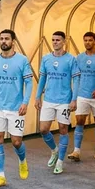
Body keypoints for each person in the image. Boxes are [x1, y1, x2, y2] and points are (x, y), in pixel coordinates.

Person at [0, 29, 33, 188]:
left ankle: (22, 161)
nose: (3, 41)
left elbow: (29, 83)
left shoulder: (22, 60)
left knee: (16, 142)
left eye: (6, 39)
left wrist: (25, 102)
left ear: (13, 42)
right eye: (1, 38)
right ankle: (0, 176)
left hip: (16, 108)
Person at [35, 30, 80, 174]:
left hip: (64, 100)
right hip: (48, 99)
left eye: (58, 40)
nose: (55, 42)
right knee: (43, 129)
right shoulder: (46, 59)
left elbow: (76, 80)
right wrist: (37, 97)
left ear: (64, 42)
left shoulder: (71, 59)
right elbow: (42, 78)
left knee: (63, 129)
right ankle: (54, 150)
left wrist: (74, 99)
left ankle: (60, 162)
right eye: (53, 40)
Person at [68, 32, 95, 161]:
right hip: (82, 95)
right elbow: (76, 77)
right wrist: (74, 96)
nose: (87, 42)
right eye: (85, 40)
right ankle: (76, 151)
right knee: (79, 121)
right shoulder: (79, 58)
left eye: (90, 40)